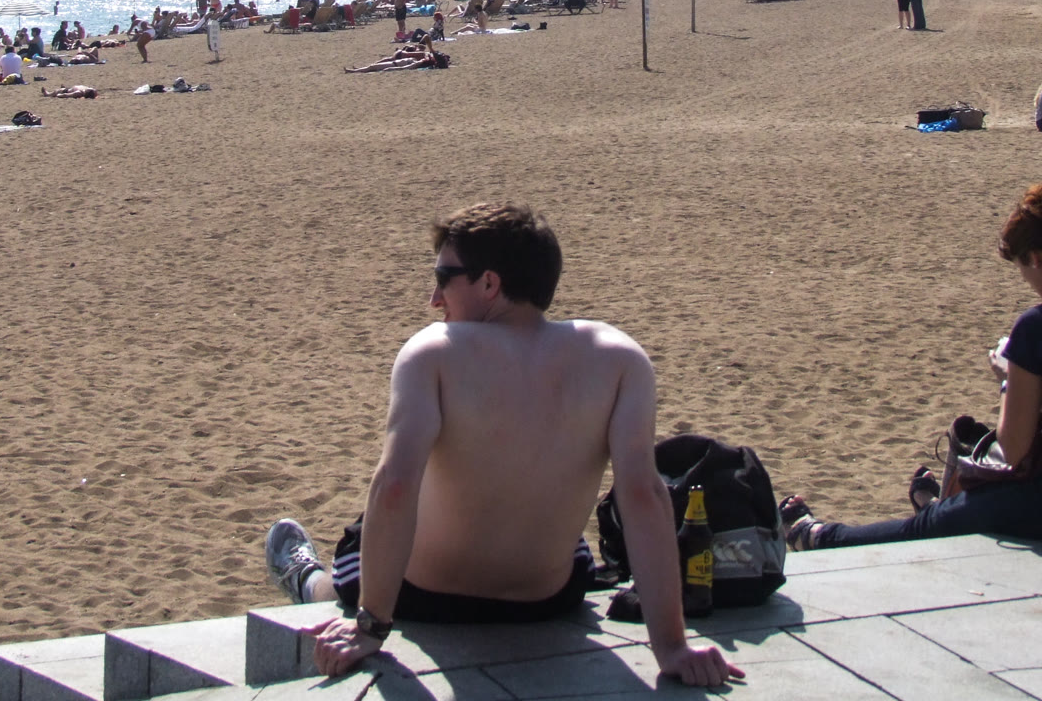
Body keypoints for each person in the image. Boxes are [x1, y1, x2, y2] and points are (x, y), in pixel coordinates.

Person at [261, 203, 740, 687]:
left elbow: (395, 487)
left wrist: (370, 626)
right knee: (572, 542)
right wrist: (672, 647)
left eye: (443, 278)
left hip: (423, 595)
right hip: (547, 599)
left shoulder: (433, 351)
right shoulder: (620, 357)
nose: (434, 299)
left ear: (489, 283)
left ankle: (306, 579)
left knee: (357, 551)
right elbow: (643, 495)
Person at [778, 179, 1042, 548]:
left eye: (1022, 268)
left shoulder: (1040, 325)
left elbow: (1014, 448)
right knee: (964, 506)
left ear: (1035, 258)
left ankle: (820, 536)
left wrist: (1009, 380)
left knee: (930, 524)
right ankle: (939, 505)